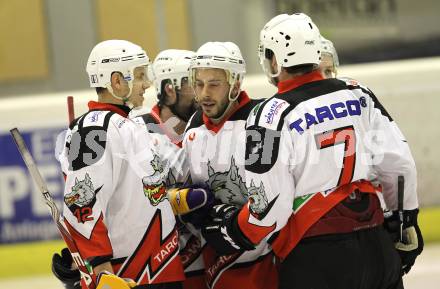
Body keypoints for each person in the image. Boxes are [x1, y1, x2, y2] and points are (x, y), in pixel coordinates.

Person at [201, 14, 423, 289]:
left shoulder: (269, 115)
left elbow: (270, 209)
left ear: (274, 60)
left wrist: (233, 230)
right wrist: (405, 222)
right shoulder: (358, 93)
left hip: (317, 258)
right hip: (376, 244)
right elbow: (399, 166)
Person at [55, 40, 185, 289]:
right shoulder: (93, 129)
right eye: (139, 76)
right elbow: (82, 202)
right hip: (127, 273)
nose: (147, 83)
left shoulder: (132, 123)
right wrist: (101, 269)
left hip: (159, 267)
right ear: (116, 81)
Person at [182, 41, 278, 289]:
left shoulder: (262, 118)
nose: (204, 94)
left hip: (267, 260)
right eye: (199, 84)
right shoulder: (194, 125)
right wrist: (190, 203)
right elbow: (183, 189)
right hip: (217, 262)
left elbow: (279, 191)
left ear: (235, 85)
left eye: (214, 84)